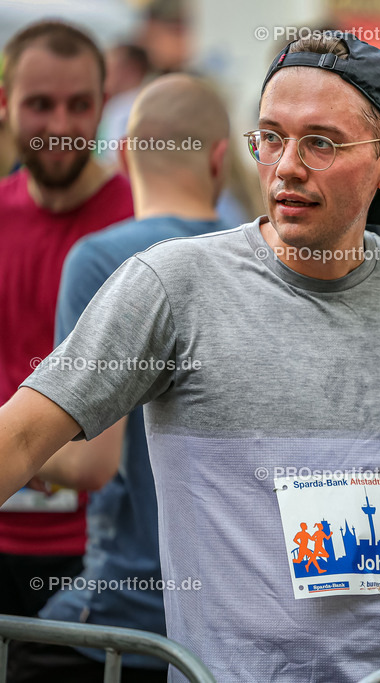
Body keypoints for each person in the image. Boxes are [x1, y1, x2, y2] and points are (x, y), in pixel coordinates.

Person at [0, 31, 380, 683]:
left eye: (321, 142)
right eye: (271, 137)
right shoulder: (172, 284)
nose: (286, 166)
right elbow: (21, 436)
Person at [5, 74, 232, 683]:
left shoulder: (106, 257)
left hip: (126, 613)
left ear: (126, 154)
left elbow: (87, 463)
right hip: (223, 623)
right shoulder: (255, 260)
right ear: (219, 159)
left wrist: (31, 450)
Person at [0, 20, 134, 620]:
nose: (59, 126)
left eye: (79, 105)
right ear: (5, 106)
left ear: (104, 106)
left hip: (101, 559)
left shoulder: (140, 228)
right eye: (39, 105)